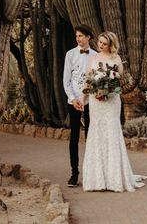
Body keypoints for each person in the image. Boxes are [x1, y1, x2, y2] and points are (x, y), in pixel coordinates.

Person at [82, 31, 147, 192]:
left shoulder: (116, 59)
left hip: (112, 101)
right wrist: (87, 96)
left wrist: (108, 91)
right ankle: (97, 179)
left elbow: (118, 81)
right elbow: (87, 79)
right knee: (97, 132)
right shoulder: (92, 58)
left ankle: (114, 177)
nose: (100, 45)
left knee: (111, 131)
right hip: (95, 102)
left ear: (111, 45)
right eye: (99, 42)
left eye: (104, 43)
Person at [63, 24, 96, 187]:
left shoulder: (96, 56)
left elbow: (95, 81)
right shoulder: (70, 55)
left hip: (91, 101)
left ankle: (91, 172)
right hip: (74, 101)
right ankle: (74, 173)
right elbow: (66, 80)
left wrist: (86, 98)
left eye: (81, 36)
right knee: (74, 137)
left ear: (88, 37)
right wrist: (73, 98)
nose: (78, 39)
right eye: (77, 36)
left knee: (91, 136)